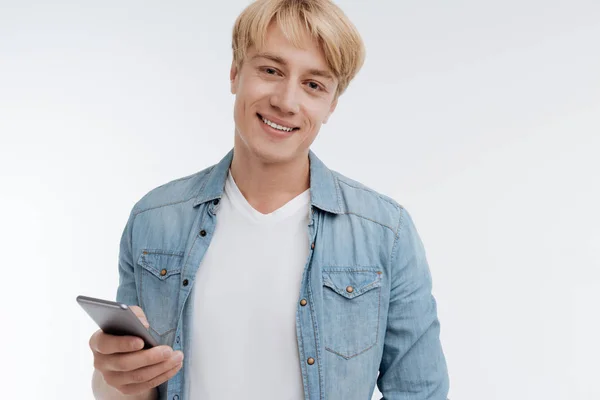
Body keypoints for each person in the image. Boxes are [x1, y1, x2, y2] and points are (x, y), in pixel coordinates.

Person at [88, 0, 450, 399]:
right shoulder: (154, 221)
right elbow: (132, 390)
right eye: (270, 70)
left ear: (331, 104)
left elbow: (421, 391)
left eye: (313, 84)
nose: (286, 101)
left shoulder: (385, 233)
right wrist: (113, 379)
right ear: (234, 73)